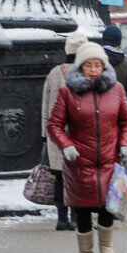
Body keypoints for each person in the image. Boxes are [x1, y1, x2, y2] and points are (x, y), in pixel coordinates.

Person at [46, 42, 127, 253]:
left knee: (108, 207)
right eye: (89, 65)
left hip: (110, 159)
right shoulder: (67, 92)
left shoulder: (117, 90)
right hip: (79, 162)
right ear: (81, 67)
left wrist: (125, 144)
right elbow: (55, 124)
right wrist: (66, 145)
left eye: (98, 65)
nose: (94, 69)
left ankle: (107, 249)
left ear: (104, 67)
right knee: (82, 208)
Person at [41, 30, 87, 231]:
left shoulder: (54, 73)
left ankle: (61, 218)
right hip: (81, 134)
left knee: (59, 177)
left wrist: (45, 135)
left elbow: (44, 106)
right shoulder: (86, 72)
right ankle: (77, 217)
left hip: (56, 134)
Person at [101, 24, 127, 113]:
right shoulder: (126, 64)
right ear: (119, 42)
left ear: (103, 40)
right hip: (120, 116)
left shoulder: (94, 62)